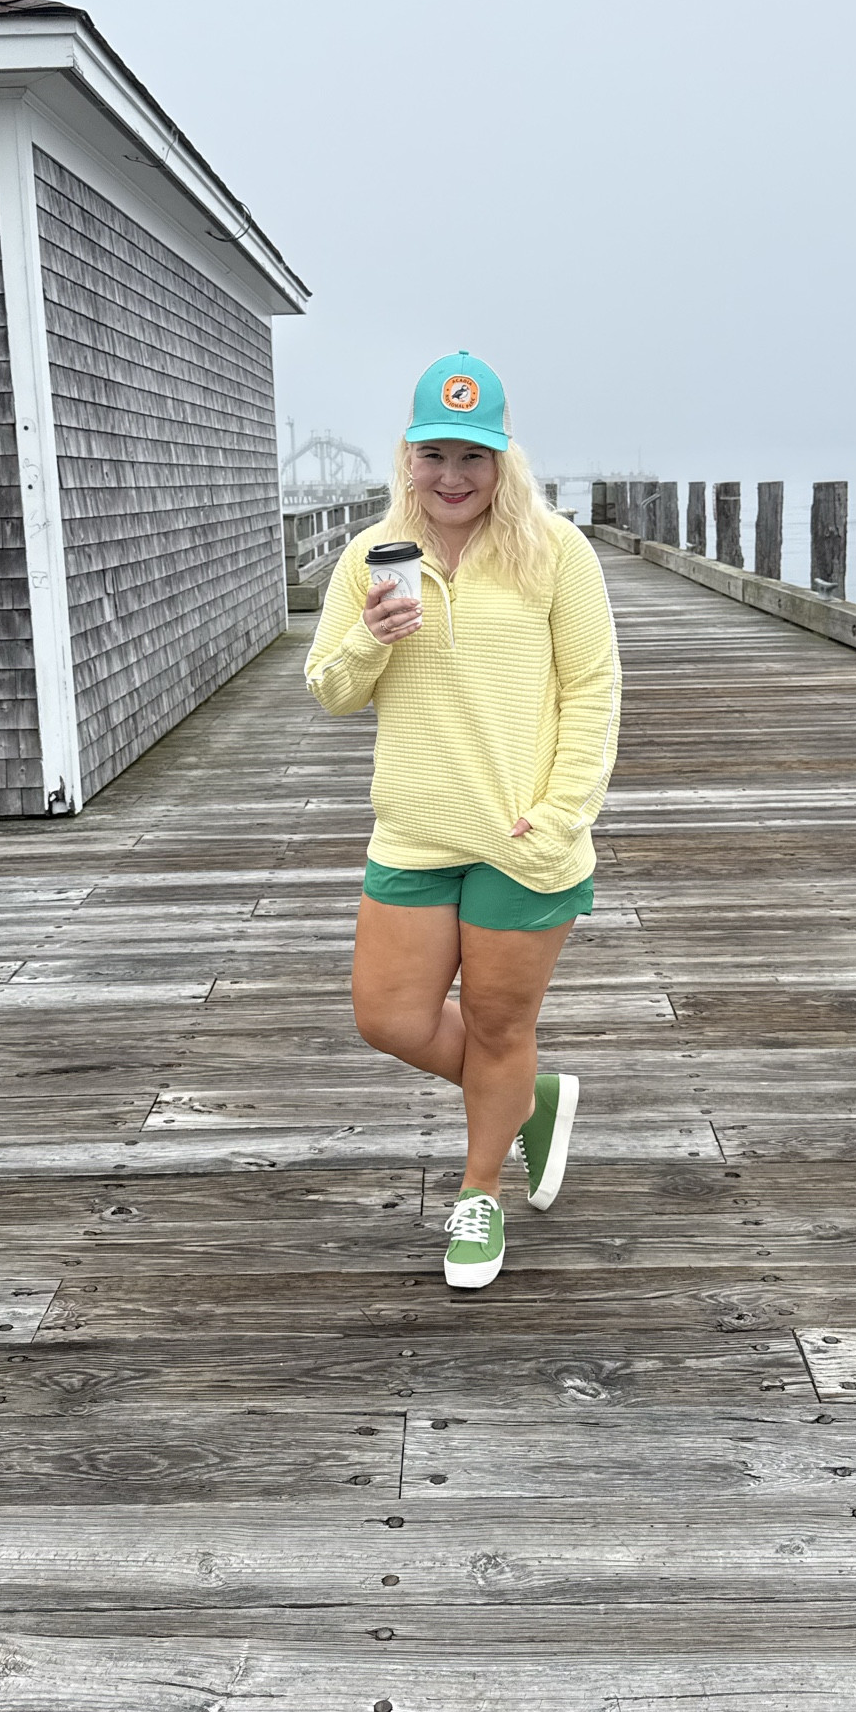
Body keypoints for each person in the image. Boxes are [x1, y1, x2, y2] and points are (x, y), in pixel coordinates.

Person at [305, 351, 621, 1289]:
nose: (453, 476)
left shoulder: (555, 551)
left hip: (522, 839)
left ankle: (479, 1193)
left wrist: (561, 814)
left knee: (497, 1024)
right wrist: (369, 637)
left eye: (473, 456)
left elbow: (593, 690)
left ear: (502, 458)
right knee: (389, 1017)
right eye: (434, 454)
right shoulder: (370, 558)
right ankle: (528, 1100)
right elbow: (330, 690)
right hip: (414, 830)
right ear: (407, 456)